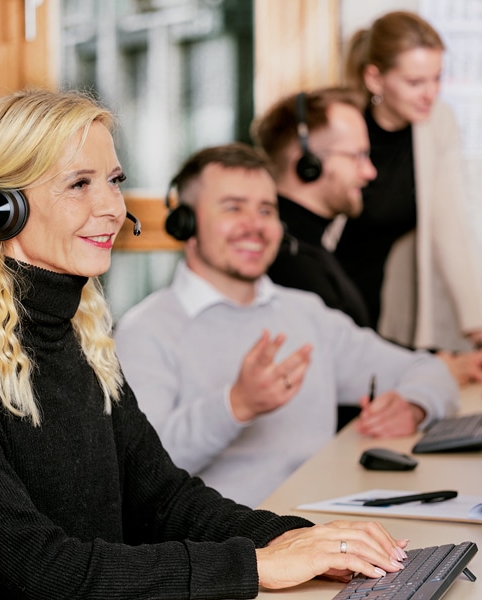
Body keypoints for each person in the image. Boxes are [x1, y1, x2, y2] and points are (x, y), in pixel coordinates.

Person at [0, 88, 416, 598]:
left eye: (113, 180)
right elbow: (40, 572)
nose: (112, 207)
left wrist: (301, 539)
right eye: (79, 184)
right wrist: (256, 566)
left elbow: (163, 498)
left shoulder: (77, 341)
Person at [114, 141, 458, 509]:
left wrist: (414, 406)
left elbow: (427, 370)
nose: (255, 226)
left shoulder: (306, 313)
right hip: (231, 549)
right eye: (233, 208)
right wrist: (236, 405)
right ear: (185, 223)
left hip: (327, 528)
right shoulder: (145, 331)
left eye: (266, 210)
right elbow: (143, 474)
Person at [251, 86, 482, 398]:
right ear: (307, 163)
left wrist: (442, 362)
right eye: (357, 156)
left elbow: (358, 348)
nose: (370, 172)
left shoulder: (309, 244)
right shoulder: (289, 259)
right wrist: (442, 368)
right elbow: (347, 368)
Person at [334, 10, 482, 353]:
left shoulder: (438, 122)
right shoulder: (342, 122)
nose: (430, 93)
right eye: (415, 82)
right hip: (331, 289)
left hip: (389, 302)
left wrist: (474, 321)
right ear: (375, 79)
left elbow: (449, 225)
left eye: (437, 78)